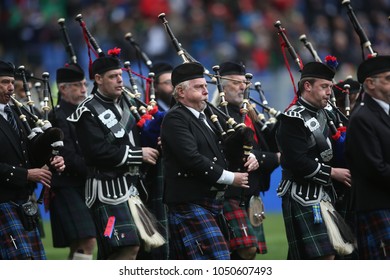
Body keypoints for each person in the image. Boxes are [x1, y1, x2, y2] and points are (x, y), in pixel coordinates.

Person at [67, 51, 162, 260]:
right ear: (98, 79)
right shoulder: (87, 111)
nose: (120, 80)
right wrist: (139, 154)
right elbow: (96, 153)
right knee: (128, 246)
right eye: (112, 76)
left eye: (120, 75)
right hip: (106, 187)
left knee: (138, 249)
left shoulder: (126, 104)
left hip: (132, 187)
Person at [161, 62, 258, 260]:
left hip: (211, 201)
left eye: (205, 86)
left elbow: (223, 152)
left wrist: (248, 153)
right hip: (189, 201)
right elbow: (191, 159)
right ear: (180, 92)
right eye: (198, 87)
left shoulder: (207, 115)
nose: (206, 90)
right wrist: (231, 178)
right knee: (218, 259)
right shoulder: (175, 119)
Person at [275, 61, 352, 260]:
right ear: (307, 86)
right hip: (303, 194)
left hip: (327, 194)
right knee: (324, 257)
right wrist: (333, 172)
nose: (329, 92)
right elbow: (297, 161)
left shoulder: (328, 114)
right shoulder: (291, 118)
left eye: (330, 87)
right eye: (324, 86)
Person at [212, 61, 280, 260]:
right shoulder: (219, 116)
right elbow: (236, 154)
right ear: (222, 87)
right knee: (243, 250)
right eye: (236, 82)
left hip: (251, 194)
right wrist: (271, 158)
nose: (243, 87)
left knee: (248, 255)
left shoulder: (250, 116)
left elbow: (268, 150)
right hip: (230, 193)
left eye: (245, 83)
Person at [0, 60, 65, 259]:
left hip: (22, 200)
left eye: (12, 82)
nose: (11, 87)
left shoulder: (16, 114)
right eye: (4, 82)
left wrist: (51, 161)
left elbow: (27, 155)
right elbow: (24, 169)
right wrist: (26, 174)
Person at [47, 63, 97, 260]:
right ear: (63, 88)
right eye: (77, 85)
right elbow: (66, 156)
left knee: (80, 243)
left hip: (85, 184)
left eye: (84, 84)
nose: (84, 89)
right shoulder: (56, 117)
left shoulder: (85, 113)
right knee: (87, 241)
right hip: (66, 186)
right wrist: (97, 169)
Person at [345, 55, 390, 259]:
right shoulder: (362, 118)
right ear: (370, 83)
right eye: (388, 78)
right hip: (376, 205)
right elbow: (375, 168)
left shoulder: (384, 113)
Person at [137, 62, 173, 260]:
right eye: (167, 83)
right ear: (155, 87)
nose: (172, 87)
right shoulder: (147, 110)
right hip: (153, 183)